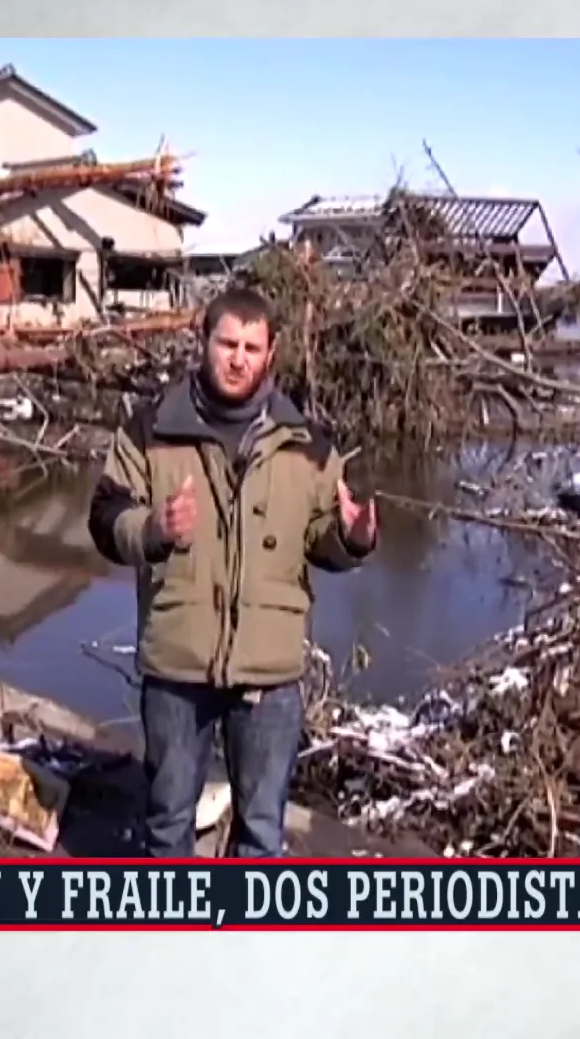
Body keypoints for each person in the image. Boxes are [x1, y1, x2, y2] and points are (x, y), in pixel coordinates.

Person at [88, 287, 379, 858]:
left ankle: (245, 943)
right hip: (178, 665)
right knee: (168, 823)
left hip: (269, 679)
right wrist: (153, 528)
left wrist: (353, 536)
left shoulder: (309, 446)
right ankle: (172, 937)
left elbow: (322, 545)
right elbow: (105, 520)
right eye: (227, 343)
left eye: (251, 346)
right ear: (204, 342)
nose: (238, 358)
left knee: (261, 833)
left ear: (271, 354)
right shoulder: (150, 430)